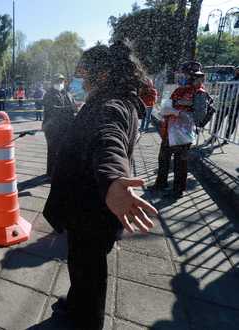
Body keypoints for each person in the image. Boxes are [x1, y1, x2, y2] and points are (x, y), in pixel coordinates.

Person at [43, 41, 157, 330]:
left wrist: (113, 178)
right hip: (89, 210)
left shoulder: (110, 105)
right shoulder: (114, 99)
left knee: (90, 273)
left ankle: (86, 321)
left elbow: (109, 140)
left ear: (102, 75)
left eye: (81, 72)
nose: (76, 79)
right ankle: (74, 304)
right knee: (81, 268)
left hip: (91, 212)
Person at [153, 61, 207, 199]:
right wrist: (167, 110)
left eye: (183, 74)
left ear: (192, 76)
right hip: (169, 130)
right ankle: (160, 184)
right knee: (163, 158)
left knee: (180, 163)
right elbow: (169, 104)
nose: (181, 77)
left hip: (183, 134)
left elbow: (199, 117)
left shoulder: (199, 93)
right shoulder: (179, 89)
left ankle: (177, 191)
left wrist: (180, 113)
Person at [42, 73, 78, 176]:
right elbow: (53, 110)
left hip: (66, 127)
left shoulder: (67, 93)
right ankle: (50, 173)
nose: (60, 83)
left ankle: (61, 171)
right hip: (52, 128)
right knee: (53, 150)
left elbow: (74, 107)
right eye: (58, 81)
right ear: (53, 82)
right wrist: (69, 108)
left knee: (65, 150)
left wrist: (76, 106)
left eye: (61, 81)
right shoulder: (48, 94)